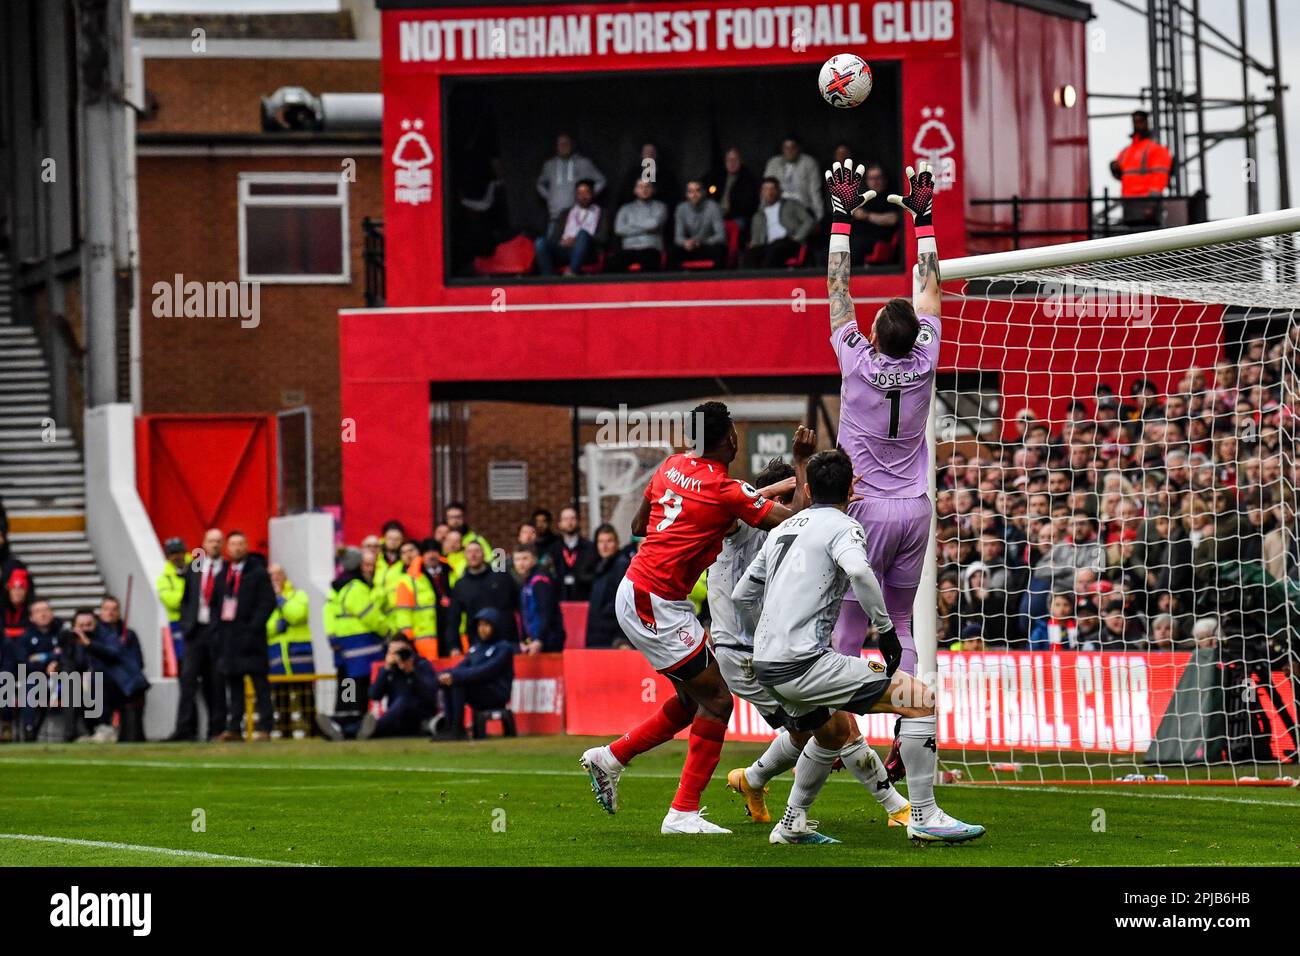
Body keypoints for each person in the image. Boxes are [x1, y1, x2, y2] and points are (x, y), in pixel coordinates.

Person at [579, 400, 809, 836]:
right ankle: (681, 813)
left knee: (694, 701)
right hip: (656, 604)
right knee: (718, 701)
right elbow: (794, 523)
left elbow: (638, 525)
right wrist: (800, 464)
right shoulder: (726, 491)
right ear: (730, 440)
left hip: (639, 589)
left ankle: (610, 758)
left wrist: (689, 525)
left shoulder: (670, 466)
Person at [733, 448, 984, 845]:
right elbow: (859, 571)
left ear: (808, 489)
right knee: (918, 698)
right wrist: (884, 629)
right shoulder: (844, 526)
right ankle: (925, 815)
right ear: (852, 488)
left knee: (831, 732)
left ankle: (792, 824)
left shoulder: (783, 529)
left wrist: (765, 634)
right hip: (804, 663)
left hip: (766, 662)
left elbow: (742, 594)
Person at [710, 449, 912, 829]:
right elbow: (726, 514)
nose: (790, 510)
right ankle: (896, 807)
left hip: (769, 651)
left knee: (821, 730)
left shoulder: (791, 531)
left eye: (796, 500)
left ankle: (754, 783)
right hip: (749, 652)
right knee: (840, 726)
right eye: (782, 502)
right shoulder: (744, 527)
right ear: (763, 500)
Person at [823, 158, 942, 779]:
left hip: (865, 508)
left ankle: (837, 735)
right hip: (916, 507)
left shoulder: (855, 361)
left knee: (848, 624)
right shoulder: (927, 358)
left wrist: (842, 217)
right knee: (901, 622)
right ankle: (910, 731)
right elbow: (932, 287)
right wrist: (925, 222)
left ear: (874, 331)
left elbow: (837, 291)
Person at [213, 531, 277, 742]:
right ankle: (233, 727)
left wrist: (253, 628)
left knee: (260, 685)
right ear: (227, 548)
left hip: (252, 639)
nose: (237, 548)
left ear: (247, 546)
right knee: (234, 686)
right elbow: (215, 604)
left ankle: (265, 727)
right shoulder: (222, 574)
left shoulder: (258, 573)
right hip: (229, 639)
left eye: (241, 544)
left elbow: (267, 603)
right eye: (233, 544)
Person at [322, 548, 389, 738]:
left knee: (347, 684)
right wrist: (389, 631)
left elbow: (328, 613)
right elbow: (371, 616)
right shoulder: (356, 588)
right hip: (363, 646)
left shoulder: (338, 587)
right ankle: (354, 725)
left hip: (344, 648)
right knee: (360, 686)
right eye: (366, 565)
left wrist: (332, 635)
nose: (369, 569)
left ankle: (341, 720)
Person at [168, 527, 226, 741]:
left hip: (217, 632)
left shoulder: (227, 570)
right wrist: (186, 625)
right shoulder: (196, 567)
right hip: (196, 631)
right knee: (188, 681)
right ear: (204, 543)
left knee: (216, 683)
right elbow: (186, 599)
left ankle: (216, 729)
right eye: (211, 541)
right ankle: (183, 729)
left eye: (219, 541)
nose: (215, 545)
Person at [435, 608, 515, 741]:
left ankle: (457, 728)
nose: (482, 629)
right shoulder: (476, 648)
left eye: (486, 625)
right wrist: (446, 674)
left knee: (458, 682)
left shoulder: (504, 648)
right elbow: (462, 667)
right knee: (450, 682)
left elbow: (486, 671)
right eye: (480, 625)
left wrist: (456, 677)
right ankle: (448, 726)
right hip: (478, 690)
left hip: (495, 693)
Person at [83, 596, 149, 743]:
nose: (110, 613)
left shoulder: (129, 635)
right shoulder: (93, 634)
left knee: (132, 738)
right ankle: (102, 727)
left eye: (114, 609)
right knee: (96, 681)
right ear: (100, 612)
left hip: (125, 684)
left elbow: (138, 662)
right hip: (104, 683)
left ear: (119, 612)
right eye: (106, 609)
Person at [363, 636, 440, 739]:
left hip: (418, 715)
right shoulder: (388, 670)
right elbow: (374, 695)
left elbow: (430, 694)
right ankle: (343, 730)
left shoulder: (422, 665)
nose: (397, 656)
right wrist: (385, 670)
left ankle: (375, 728)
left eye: (400, 652)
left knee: (403, 700)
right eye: (392, 653)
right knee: (362, 725)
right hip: (394, 717)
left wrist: (411, 672)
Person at [449, 540, 519, 648]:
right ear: (465, 556)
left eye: (477, 551)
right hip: (478, 643)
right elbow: (453, 619)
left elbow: (519, 605)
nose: (473, 555)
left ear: (484, 554)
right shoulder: (460, 585)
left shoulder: (501, 577)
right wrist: (454, 647)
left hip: (507, 640)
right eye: (469, 552)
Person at [534, 179, 608, 276]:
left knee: (582, 234)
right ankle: (549, 278)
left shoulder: (601, 213)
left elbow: (603, 237)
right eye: (580, 193)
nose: (583, 196)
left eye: (586, 193)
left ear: (592, 194)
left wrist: (577, 240)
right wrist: (562, 242)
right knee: (540, 242)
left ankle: (571, 273)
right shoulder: (566, 213)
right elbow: (554, 238)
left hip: (587, 251)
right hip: (564, 250)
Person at [536, 132, 606, 226]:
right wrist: (550, 198)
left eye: (566, 143)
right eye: (561, 144)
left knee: (579, 239)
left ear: (572, 145)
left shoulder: (583, 163)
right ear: (556, 146)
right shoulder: (549, 165)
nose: (564, 146)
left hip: (578, 217)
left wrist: (587, 196)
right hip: (555, 216)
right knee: (551, 240)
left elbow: (601, 181)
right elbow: (540, 184)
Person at [743, 178, 815, 269]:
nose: (769, 192)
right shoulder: (758, 216)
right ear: (762, 192)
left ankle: (768, 280)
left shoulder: (792, 204)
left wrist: (797, 237)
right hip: (767, 246)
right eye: (766, 189)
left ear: (778, 191)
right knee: (750, 254)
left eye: (772, 188)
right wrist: (754, 244)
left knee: (775, 249)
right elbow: (756, 239)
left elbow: (809, 220)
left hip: (789, 242)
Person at [585, 524, 632, 649]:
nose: (604, 546)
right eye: (600, 541)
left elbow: (624, 604)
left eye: (609, 541)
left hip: (613, 637)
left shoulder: (622, 565)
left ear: (617, 543)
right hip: (597, 635)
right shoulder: (600, 566)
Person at [514, 544, 565, 653]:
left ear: (534, 560)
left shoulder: (540, 580)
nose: (521, 563)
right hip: (533, 640)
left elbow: (545, 612)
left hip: (548, 640)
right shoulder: (524, 583)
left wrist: (539, 639)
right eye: (517, 559)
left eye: (525, 558)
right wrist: (524, 640)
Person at [609, 179, 668, 272]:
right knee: (613, 262)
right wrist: (646, 227)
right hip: (629, 249)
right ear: (635, 190)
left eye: (647, 186)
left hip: (651, 249)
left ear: (653, 189)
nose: (644, 190)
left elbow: (654, 224)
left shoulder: (660, 207)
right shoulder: (625, 209)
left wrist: (631, 225)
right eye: (640, 187)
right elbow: (619, 229)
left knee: (649, 261)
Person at [267, 564, 313, 676]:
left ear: (285, 577)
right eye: (271, 575)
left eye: (278, 574)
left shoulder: (299, 595)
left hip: (299, 656)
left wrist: (280, 599)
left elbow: (297, 615)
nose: (275, 577)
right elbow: (261, 627)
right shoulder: (264, 600)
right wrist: (275, 628)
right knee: (279, 692)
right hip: (276, 657)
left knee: (304, 692)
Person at [670, 179, 727, 269]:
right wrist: (686, 242)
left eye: (697, 190)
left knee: (720, 251)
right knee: (673, 253)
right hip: (690, 247)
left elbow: (720, 236)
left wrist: (700, 242)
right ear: (686, 194)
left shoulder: (713, 207)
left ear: (704, 192)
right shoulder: (681, 208)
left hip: (708, 245)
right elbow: (678, 237)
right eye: (690, 192)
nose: (694, 195)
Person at [763, 135, 823, 220]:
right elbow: (765, 190)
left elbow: (815, 191)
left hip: (802, 206)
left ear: (798, 148)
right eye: (786, 148)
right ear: (782, 149)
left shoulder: (809, 163)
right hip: (779, 207)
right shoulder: (773, 163)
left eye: (792, 147)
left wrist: (819, 216)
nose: (789, 151)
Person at [546, 505, 597, 601]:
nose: (569, 522)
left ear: (578, 522)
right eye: (565, 519)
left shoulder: (589, 547)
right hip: (559, 599)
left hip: (583, 598)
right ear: (559, 524)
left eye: (572, 518)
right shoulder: (553, 549)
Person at [708, 147, 759, 240]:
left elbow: (747, 205)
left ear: (740, 161)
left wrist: (726, 214)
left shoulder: (747, 178)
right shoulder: (719, 175)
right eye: (729, 160)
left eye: (735, 159)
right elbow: (710, 190)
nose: (732, 163)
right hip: (718, 214)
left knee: (729, 228)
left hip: (737, 216)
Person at [156, 537, 187, 667]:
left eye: (179, 552)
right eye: (172, 554)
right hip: (177, 622)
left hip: (196, 623)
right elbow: (172, 602)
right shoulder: (164, 577)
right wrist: (189, 599)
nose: (176, 556)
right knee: (182, 658)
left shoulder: (196, 568)